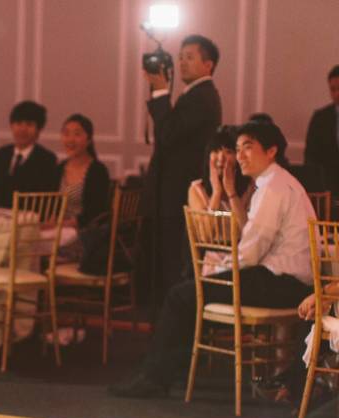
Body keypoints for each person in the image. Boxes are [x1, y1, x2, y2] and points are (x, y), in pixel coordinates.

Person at [110, 121, 316, 398]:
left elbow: (251, 252)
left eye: (248, 148)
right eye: (238, 148)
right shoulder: (275, 183)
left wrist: (217, 269)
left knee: (181, 296)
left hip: (280, 284)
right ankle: (162, 372)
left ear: (271, 151)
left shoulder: (273, 188)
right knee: (188, 294)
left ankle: (155, 377)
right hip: (281, 281)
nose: (240, 155)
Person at [141, 34, 222, 311]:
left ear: (208, 64)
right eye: (181, 57)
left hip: (178, 194)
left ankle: (172, 331)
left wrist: (162, 92)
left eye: (190, 57)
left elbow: (168, 134)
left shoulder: (202, 96)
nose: (182, 63)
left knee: (174, 266)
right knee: (167, 265)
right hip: (174, 192)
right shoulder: (195, 95)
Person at [0, 101, 58, 208]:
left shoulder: (47, 159)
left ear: (39, 129)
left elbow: (45, 200)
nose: (23, 129)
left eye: (29, 124)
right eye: (18, 123)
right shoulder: (2, 154)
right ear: (11, 126)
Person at [56, 114, 110, 230]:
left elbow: (96, 212)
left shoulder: (98, 171)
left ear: (89, 140)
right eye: (66, 134)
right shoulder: (59, 168)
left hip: (84, 231)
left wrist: (65, 224)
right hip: (58, 228)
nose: (70, 139)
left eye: (77, 134)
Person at [187, 125, 254, 213]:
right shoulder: (197, 189)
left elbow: (246, 225)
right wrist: (216, 192)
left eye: (228, 152)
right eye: (216, 151)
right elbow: (207, 226)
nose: (221, 158)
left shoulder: (249, 188)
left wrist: (231, 192)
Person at [304, 65, 339, 197]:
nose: (337, 94)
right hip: (329, 188)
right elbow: (310, 156)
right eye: (333, 89)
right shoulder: (320, 118)